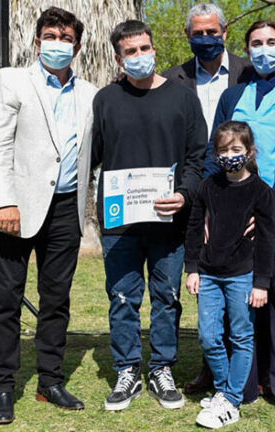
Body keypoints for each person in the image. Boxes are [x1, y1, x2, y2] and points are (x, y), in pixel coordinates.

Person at [0, 6, 97, 424]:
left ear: (77, 47)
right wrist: (3, 202)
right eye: (50, 36)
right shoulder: (10, 80)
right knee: (6, 300)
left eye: (66, 38)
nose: (57, 44)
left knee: (56, 300)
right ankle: (2, 385)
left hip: (66, 208)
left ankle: (50, 380)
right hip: (17, 206)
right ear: (36, 40)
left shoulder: (90, 93)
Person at [92, 19, 207, 411]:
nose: (139, 56)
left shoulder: (183, 98)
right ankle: (127, 370)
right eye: (130, 51)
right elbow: (92, 155)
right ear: (119, 58)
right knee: (122, 297)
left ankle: (162, 368)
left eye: (144, 48)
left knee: (166, 298)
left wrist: (185, 195)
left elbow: (197, 155)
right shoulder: (105, 99)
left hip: (168, 220)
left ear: (154, 49)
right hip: (120, 221)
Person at [204, 20, 275, 416]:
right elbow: (214, 151)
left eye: (271, 42)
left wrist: (266, 206)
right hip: (233, 218)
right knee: (240, 305)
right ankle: (242, 385)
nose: (263, 49)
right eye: (255, 43)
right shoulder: (232, 96)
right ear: (246, 50)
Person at [185, 120, 275, 429]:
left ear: (249, 151)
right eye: (223, 150)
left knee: (241, 337)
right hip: (208, 274)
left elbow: (267, 240)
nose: (229, 156)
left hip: (242, 276)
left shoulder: (262, 192)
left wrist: (261, 283)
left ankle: (231, 400)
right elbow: (194, 228)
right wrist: (192, 268)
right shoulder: (207, 187)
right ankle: (226, 392)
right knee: (209, 337)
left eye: (235, 149)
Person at [163, 2, 253, 137]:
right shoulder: (172, 79)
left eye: (211, 32)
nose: (205, 39)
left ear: (224, 31)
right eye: (198, 33)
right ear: (187, 34)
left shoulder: (249, 72)